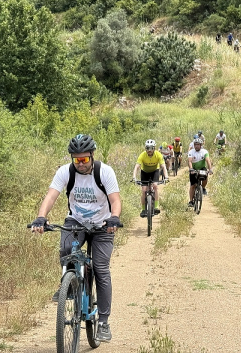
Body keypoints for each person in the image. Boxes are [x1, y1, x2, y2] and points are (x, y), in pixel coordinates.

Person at [30, 134, 121, 343]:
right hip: (75, 221)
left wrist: (114, 218)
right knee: (65, 251)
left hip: (102, 225)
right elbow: (51, 196)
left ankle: (103, 322)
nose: (80, 164)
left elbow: (115, 200)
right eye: (76, 160)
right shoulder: (65, 172)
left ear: (92, 156)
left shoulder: (105, 172)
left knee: (101, 269)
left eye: (84, 159)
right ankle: (69, 285)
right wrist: (41, 217)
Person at [132, 139, 169, 218]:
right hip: (144, 172)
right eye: (147, 148)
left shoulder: (158, 154)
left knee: (155, 186)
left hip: (155, 171)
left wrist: (166, 177)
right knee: (144, 190)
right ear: (145, 148)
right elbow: (137, 167)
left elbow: (163, 166)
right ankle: (143, 209)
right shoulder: (142, 155)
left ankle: (156, 207)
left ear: (154, 148)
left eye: (151, 148)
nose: (149, 150)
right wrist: (134, 177)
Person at [187, 138, 213, 206]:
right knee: (193, 185)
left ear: (201, 145)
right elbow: (190, 161)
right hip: (194, 169)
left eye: (198, 144)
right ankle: (191, 201)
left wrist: (210, 169)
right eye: (195, 144)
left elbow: (208, 160)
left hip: (202, 168)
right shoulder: (191, 152)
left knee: (205, 176)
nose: (196, 146)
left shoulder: (204, 152)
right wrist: (191, 169)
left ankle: (203, 188)